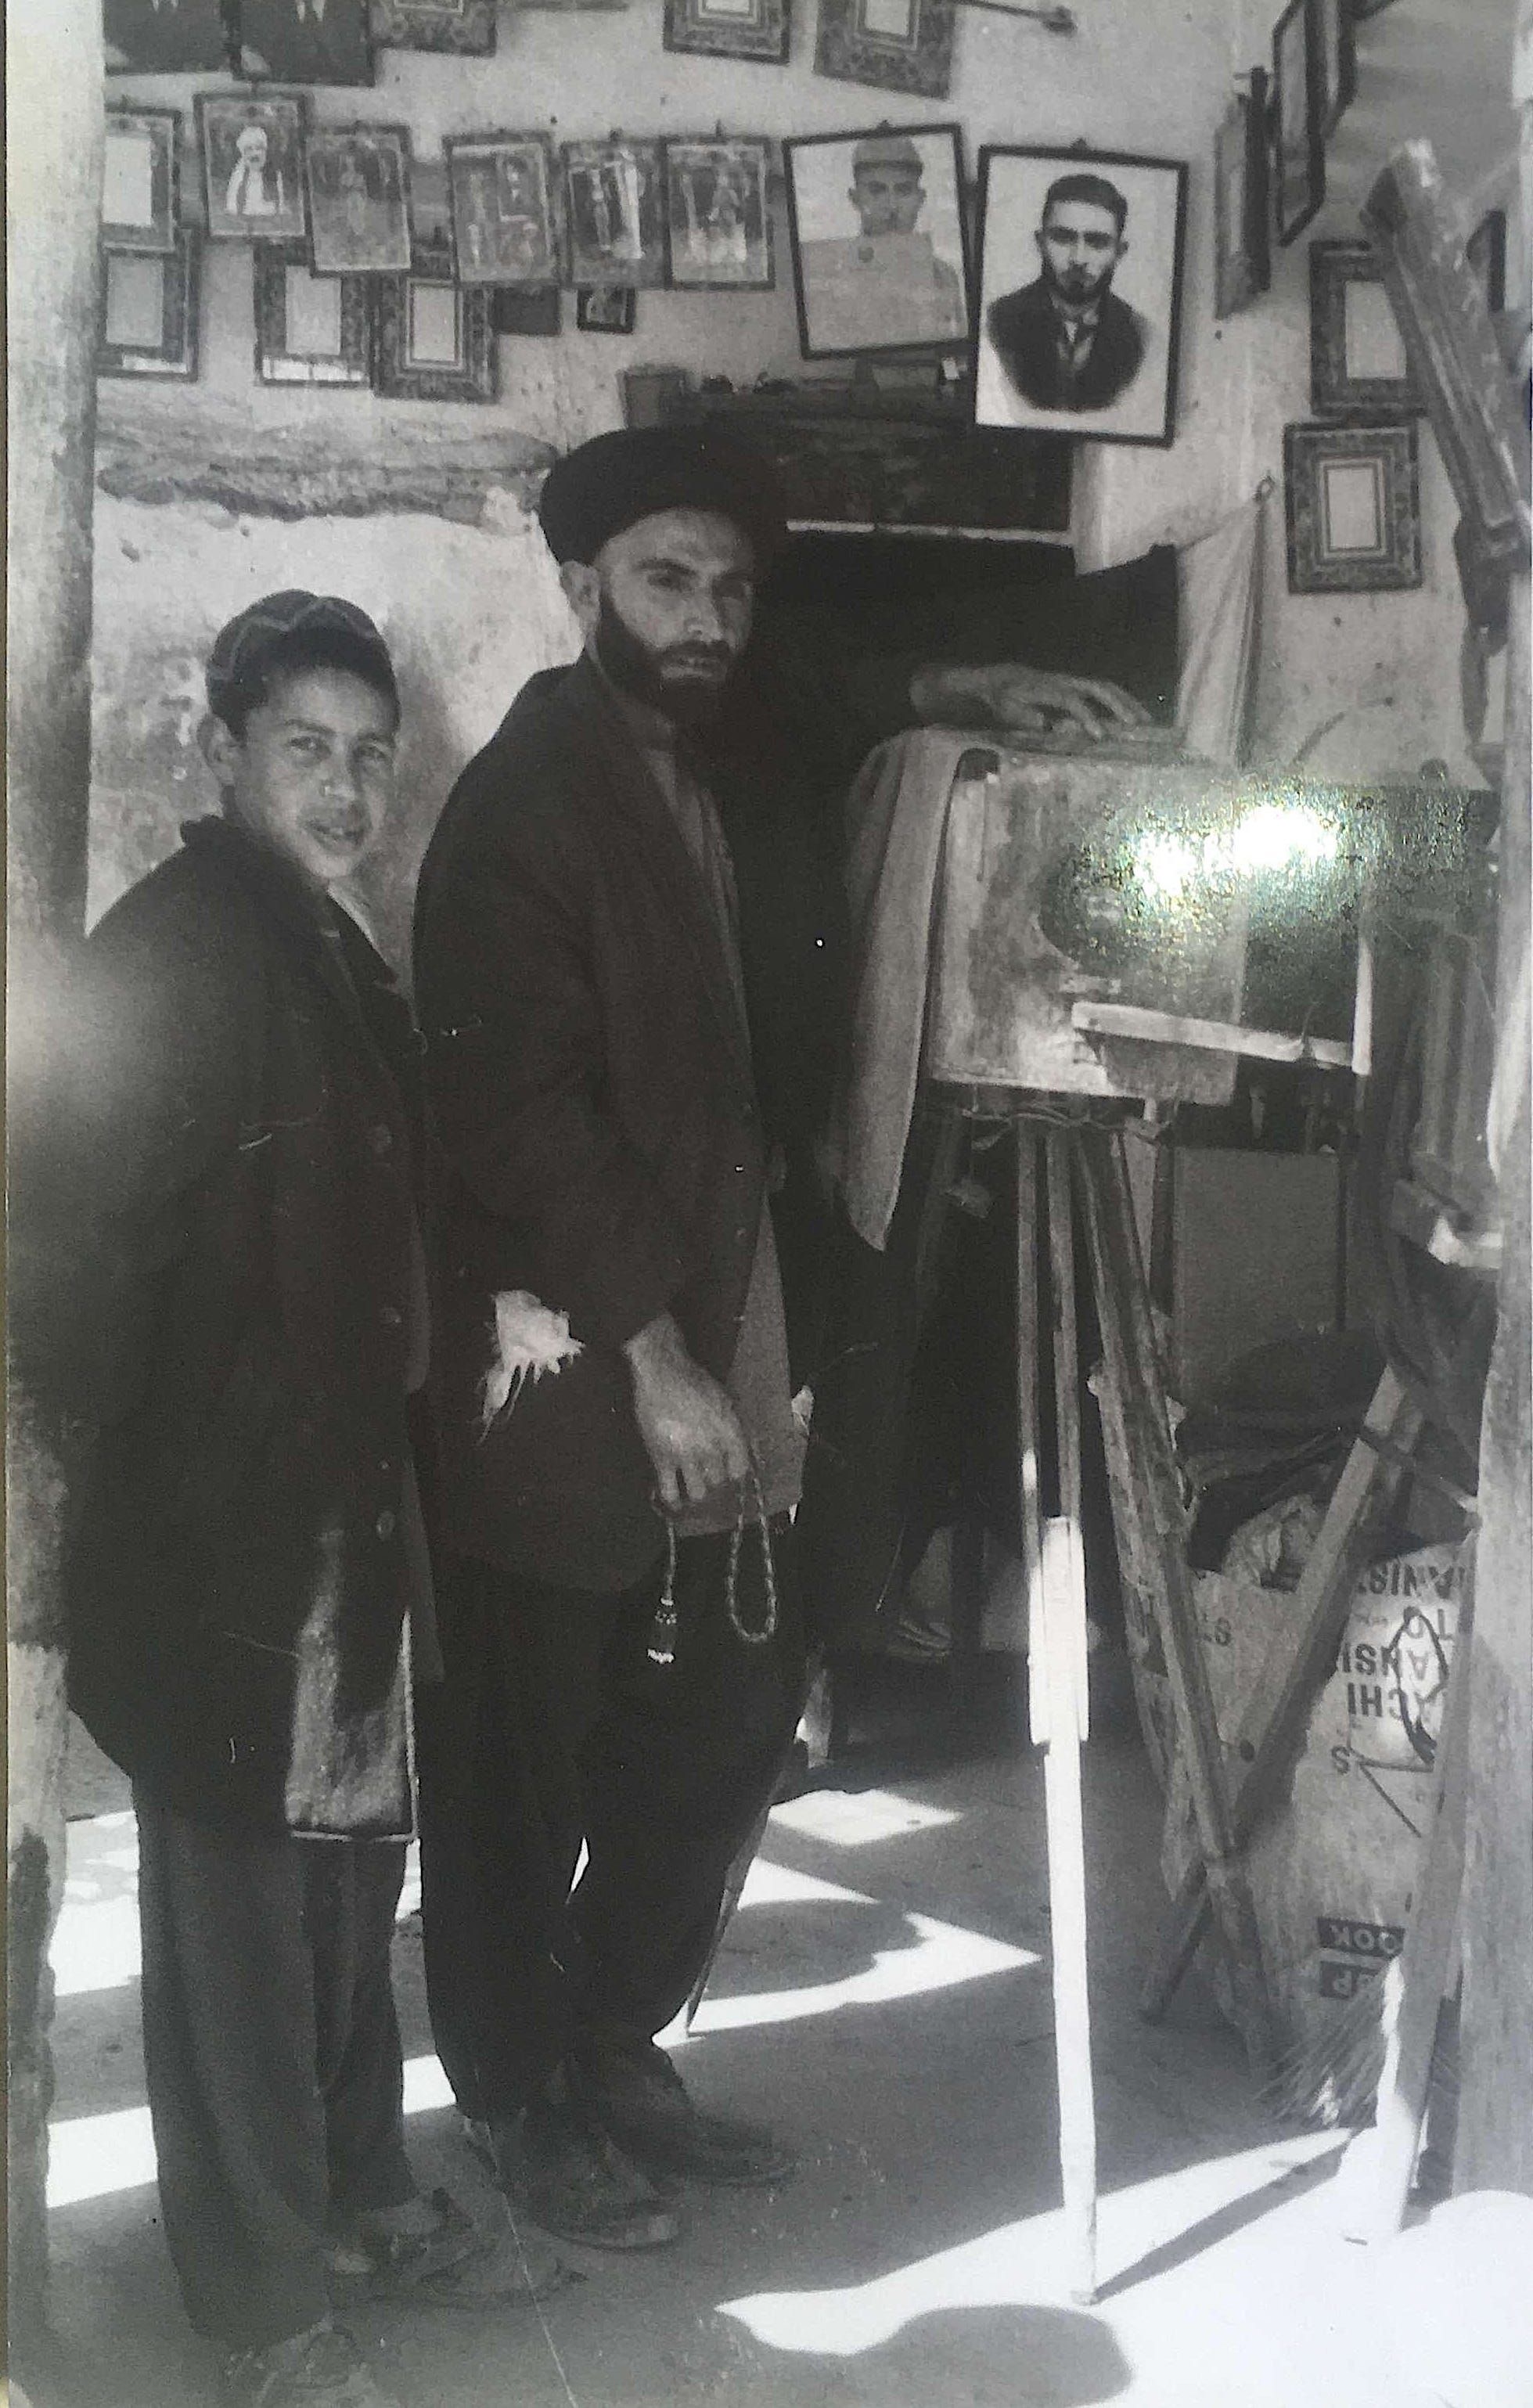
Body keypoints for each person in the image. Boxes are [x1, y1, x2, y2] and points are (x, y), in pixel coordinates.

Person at [52, 595, 493, 2408]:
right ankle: (258, 2313)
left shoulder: (320, 941)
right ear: (219, 754)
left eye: (367, 754)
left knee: (341, 1876)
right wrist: (155, 1470)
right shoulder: (172, 949)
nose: (342, 785)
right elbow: (70, 1259)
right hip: (230, 1526)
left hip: (341, 1510)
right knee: (238, 1917)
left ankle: (354, 2193)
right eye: (304, 747)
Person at [412, 432, 817, 2255]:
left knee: (719, 1722)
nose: (707, 617)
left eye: (730, 587)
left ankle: (615, 2041)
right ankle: (514, 2094)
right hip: (570, 1363)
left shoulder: (714, 782)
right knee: (522, 1753)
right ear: (583, 593)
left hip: (726, 1333)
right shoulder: (527, 805)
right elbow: (520, 1118)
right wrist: (654, 1350)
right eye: (668, 579)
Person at [984, 171, 1148, 413]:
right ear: (1041, 243)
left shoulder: (1140, 334)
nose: (1078, 258)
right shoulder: (997, 322)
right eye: (1063, 238)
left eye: (1097, 242)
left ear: (1119, 252)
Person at [801, 132, 966, 351]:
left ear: (920, 198)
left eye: (904, 191)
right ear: (855, 198)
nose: (891, 205)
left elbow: (956, 350)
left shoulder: (943, 276)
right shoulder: (828, 275)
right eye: (877, 191)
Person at [224, 119, 286, 221]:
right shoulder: (239, 173)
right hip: (245, 211)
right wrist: (233, 209)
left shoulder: (273, 173)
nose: (255, 154)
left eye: (259, 148)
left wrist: (280, 209)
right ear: (243, 153)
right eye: (250, 149)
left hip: (268, 212)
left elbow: (279, 197)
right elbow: (232, 196)